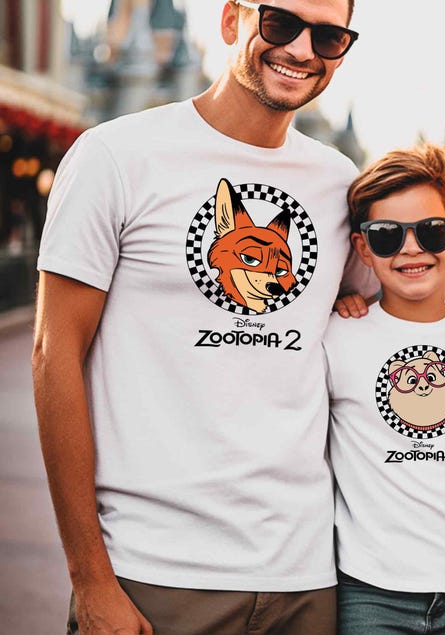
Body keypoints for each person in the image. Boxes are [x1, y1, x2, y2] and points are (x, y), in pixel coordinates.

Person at [32, 1, 376, 634]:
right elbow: (55, 358)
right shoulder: (116, 155)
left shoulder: (339, 183)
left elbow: (383, 316)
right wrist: (90, 578)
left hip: (305, 579)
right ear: (230, 21)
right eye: (279, 24)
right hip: (152, 573)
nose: (302, 49)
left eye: (328, 35)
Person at [323, 143, 445, 634]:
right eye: (386, 236)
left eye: (431, 231)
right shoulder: (335, 336)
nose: (411, 249)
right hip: (370, 592)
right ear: (363, 249)